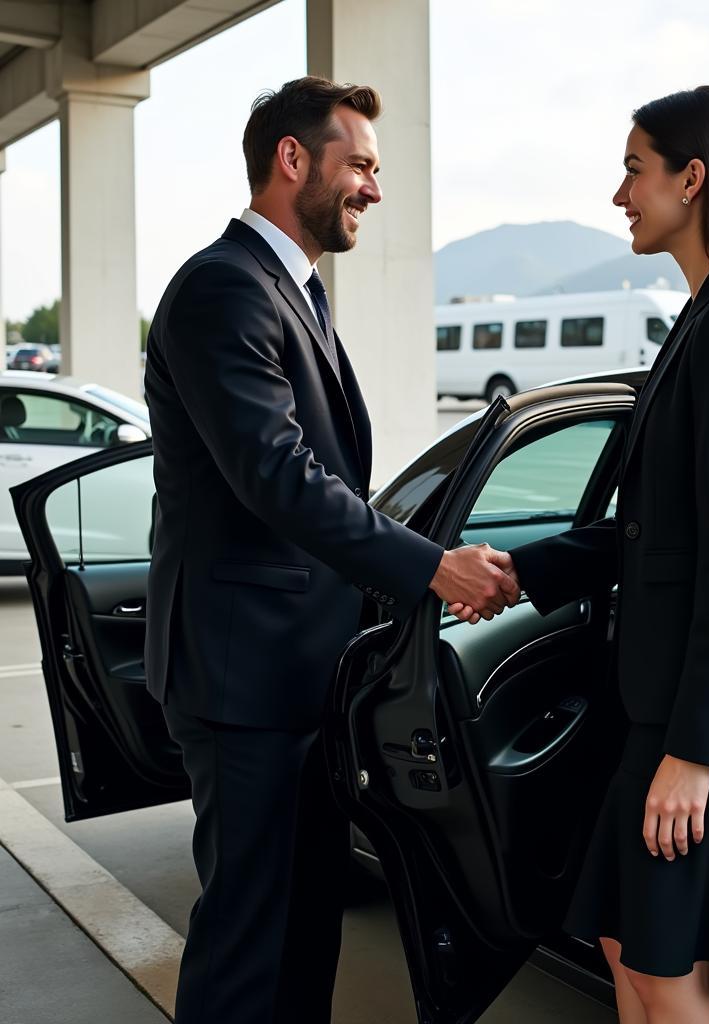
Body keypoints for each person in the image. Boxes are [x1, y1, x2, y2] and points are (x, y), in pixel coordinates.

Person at [448, 85, 709, 1023]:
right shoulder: (708, 317)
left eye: (634, 168)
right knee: (632, 945)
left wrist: (697, 753)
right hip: (674, 710)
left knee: (664, 969)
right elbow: (657, 532)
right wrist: (521, 572)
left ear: (692, 179)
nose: (619, 193)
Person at [143, 77, 519, 1024]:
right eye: (360, 166)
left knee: (306, 928)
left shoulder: (289, 290)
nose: (374, 190)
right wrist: (432, 568)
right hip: (244, 683)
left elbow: (326, 488)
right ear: (292, 160)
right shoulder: (223, 289)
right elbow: (280, 477)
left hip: (297, 679)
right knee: (249, 942)